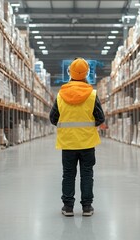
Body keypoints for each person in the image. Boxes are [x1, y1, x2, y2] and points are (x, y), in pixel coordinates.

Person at [49, 58, 105, 217]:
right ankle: (87, 207)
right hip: (87, 142)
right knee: (87, 174)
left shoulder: (61, 94)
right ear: (87, 73)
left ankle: (68, 207)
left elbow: (53, 118)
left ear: (70, 73)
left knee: (68, 174)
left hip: (67, 143)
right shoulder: (92, 94)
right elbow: (100, 118)